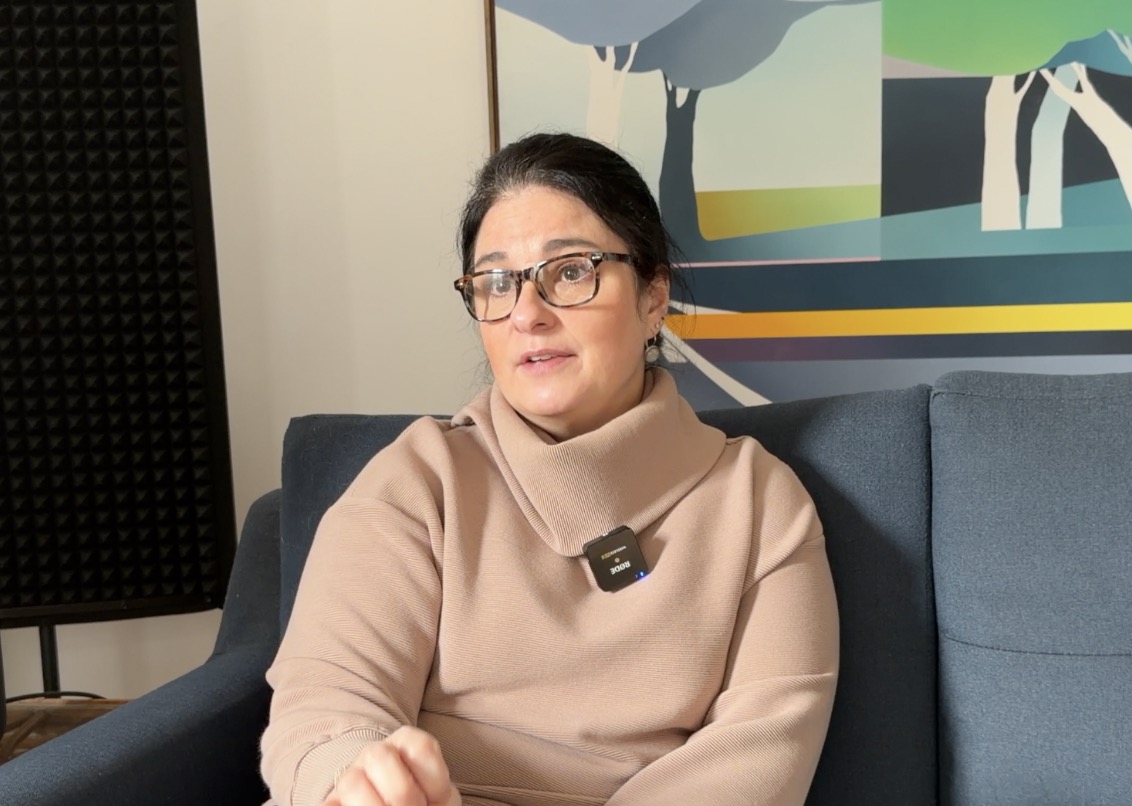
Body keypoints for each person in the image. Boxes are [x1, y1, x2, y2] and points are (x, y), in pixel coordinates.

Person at [260, 133, 839, 806]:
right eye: (496, 282)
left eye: (569, 272)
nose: (527, 315)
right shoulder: (419, 481)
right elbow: (324, 707)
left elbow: (762, 755)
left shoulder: (759, 503)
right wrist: (358, 782)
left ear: (654, 297)